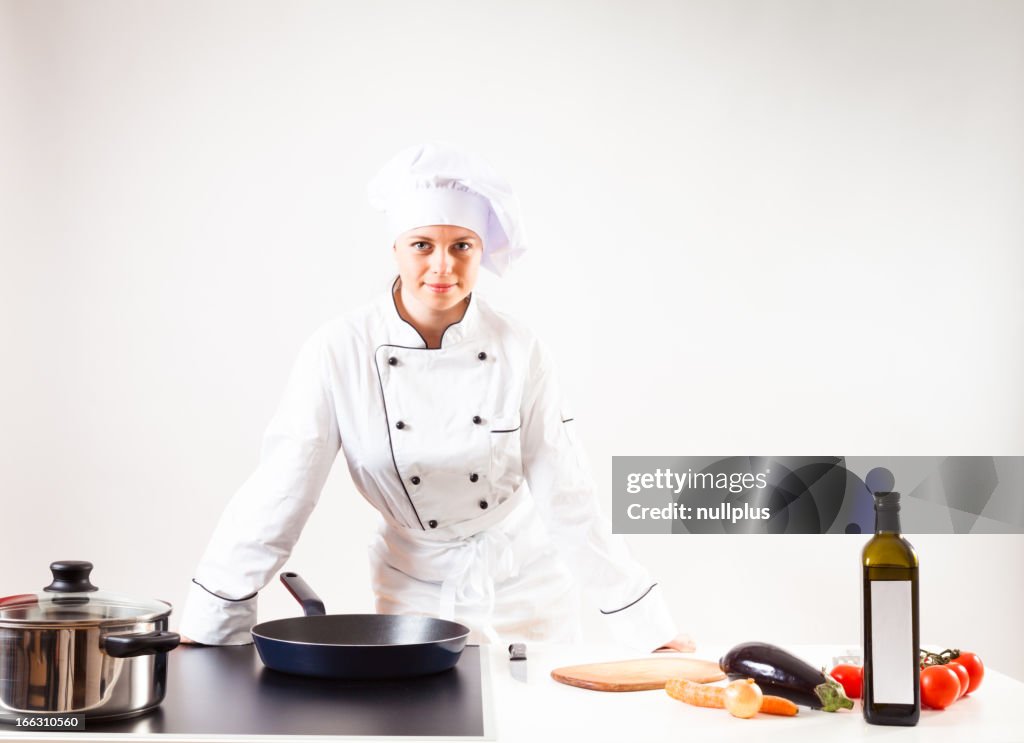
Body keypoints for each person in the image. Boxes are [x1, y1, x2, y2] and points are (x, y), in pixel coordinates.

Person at [178, 142, 694, 652]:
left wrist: (649, 628)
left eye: (462, 246)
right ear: (396, 249)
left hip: (528, 584)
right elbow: (282, 490)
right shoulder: (339, 349)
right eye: (423, 244)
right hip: (413, 589)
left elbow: (567, 490)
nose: (443, 266)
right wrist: (213, 617)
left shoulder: (519, 348)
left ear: (481, 252)